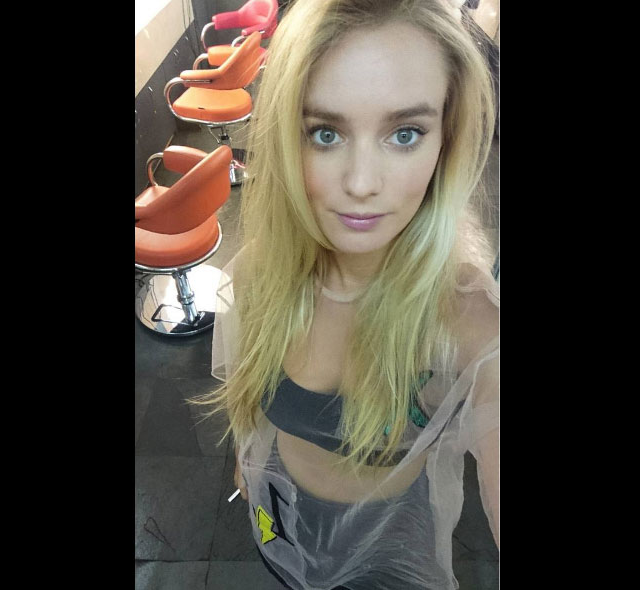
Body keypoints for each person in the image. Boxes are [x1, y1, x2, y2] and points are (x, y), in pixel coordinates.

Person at [187, 0, 499, 588]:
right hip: (280, 523)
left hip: (389, 558)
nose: (360, 183)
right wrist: (248, 461)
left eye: (405, 134)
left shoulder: (470, 322)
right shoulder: (256, 276)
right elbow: (248, 404)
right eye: (325, 133)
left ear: (446, 140)